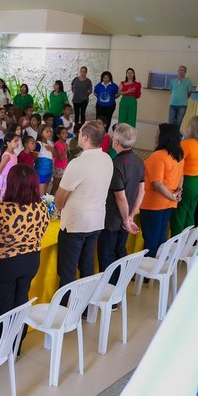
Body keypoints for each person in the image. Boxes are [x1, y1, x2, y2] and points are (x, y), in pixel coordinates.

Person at [0, 164, 49, 347]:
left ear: (11, 183)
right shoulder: (41, 207)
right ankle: (16, 344)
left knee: (0, 306)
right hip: (31, 260)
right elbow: (42, 231)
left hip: (4, 264)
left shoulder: (1, 210)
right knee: (21, 302)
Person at [54, 121, 113, 291]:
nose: (78, 135)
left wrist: (58, 206)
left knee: (67, 270)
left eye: (80, 133)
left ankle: (66, 306)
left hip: (75, 224)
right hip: (96, 221)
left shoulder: (78, 163)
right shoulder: (107, 159)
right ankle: (84, 303)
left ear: (85, 138)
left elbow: (59, 199)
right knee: (87, 266)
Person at [98, 124, 144, 281]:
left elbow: (120, 197)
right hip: (126, 216)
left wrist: (125, 219)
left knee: (107, 255)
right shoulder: (139, 162)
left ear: (116, 141)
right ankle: (119, 287)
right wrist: (130, 216)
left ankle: (108, 290)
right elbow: (141, 191)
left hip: (113, 218)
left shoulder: (116, 164)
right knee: (120, 251)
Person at [141, 123, 184, 258]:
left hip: (154, 204)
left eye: (157, 133)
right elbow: (181, 176)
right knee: (160, 236)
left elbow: (157, 184)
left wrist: (173, 196)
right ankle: (159, 264)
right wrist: (177, 193)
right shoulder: (178, 155)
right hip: (168, 203)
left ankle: (149, 267)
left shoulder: (158, 156)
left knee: (151, 238)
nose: (155, 136)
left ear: (164, 136)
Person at [169, 116, 198, 235]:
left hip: (187, 182)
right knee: (190, 214)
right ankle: (189, 239)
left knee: (179, 215)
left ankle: (176, 241)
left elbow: (175, 161)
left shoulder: (187, 144)